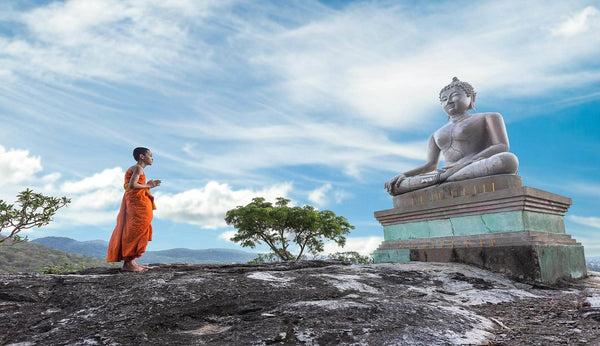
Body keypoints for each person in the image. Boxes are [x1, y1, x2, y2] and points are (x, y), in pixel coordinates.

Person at [385, 77, 519, 196]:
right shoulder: (435, 135)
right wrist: (405, 175)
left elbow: (501, 146)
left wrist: (467, 162)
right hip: (441, 172)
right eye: (443, 100)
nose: (448, 102)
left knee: (507, 160)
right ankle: (443, 178)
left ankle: (444, 180)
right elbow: (430, 165)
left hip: (472, 165)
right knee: (397, 186)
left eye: (454, 96)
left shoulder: (489, 117)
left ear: (471, 97)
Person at [107, 147, 161, 272]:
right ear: (142, 156)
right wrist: (149, 185)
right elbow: (132, 185)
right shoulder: (138, 168)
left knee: (138, 228)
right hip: (136, 203)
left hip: (138, 201)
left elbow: (134, 185)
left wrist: (147, 185)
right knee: (135, 229)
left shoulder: (139, 169)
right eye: (150, 155)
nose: (152, 158)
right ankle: (128, 263)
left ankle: (131, 261)